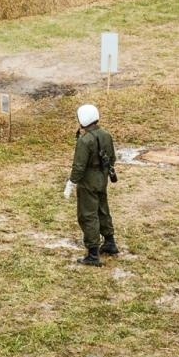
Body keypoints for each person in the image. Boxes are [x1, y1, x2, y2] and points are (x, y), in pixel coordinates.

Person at [66, 103, 118, 265]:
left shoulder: (85, 140)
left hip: (88, 180)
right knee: (103, 209)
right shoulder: (105, 135)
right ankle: (110, 242)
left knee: (88, 214)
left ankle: (93, 254)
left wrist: (71, 182)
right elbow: (112, 158)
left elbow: (79, 165)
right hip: (102, 178)